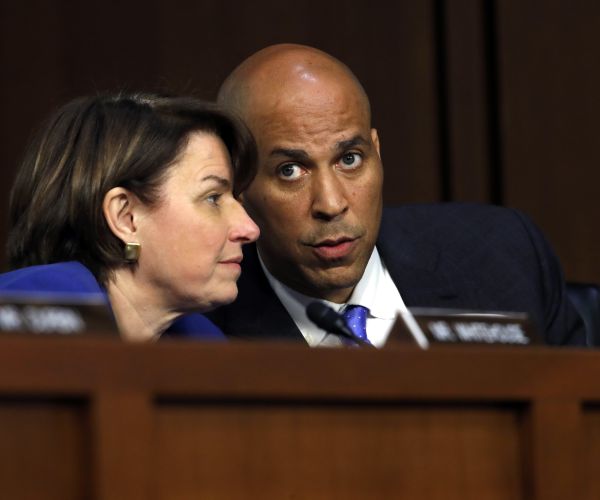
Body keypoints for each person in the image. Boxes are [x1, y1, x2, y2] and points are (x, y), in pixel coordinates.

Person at [206, 43, 585, 347]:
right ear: (238, 185)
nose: (331, 204)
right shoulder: (204, 333)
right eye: (290, 171)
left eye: (350, 159)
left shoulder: (504, 257)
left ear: (377, 152)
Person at [0, 93, 259, 341]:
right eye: (212, 198)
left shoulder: (201, 341)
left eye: (234, 198)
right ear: (126, 218)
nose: (249, 229)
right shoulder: (39, 306)